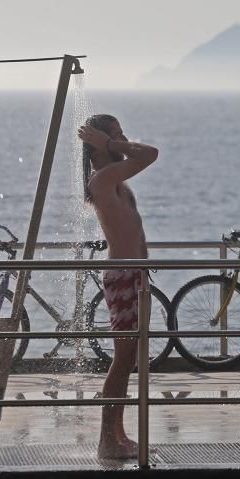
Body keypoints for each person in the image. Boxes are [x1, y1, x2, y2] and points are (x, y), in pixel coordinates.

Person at [79, 114, 158, 460]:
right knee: (122, 359)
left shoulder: (116, 180)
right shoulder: (103, 178)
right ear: (99, 142)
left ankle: (119, 434)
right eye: (117, 134)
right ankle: (106, 441)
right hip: (124, 276)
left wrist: (110, 141)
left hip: (135, 275)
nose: (124, 139)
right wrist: (109, 145)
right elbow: (150, 153)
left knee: (128, 361)